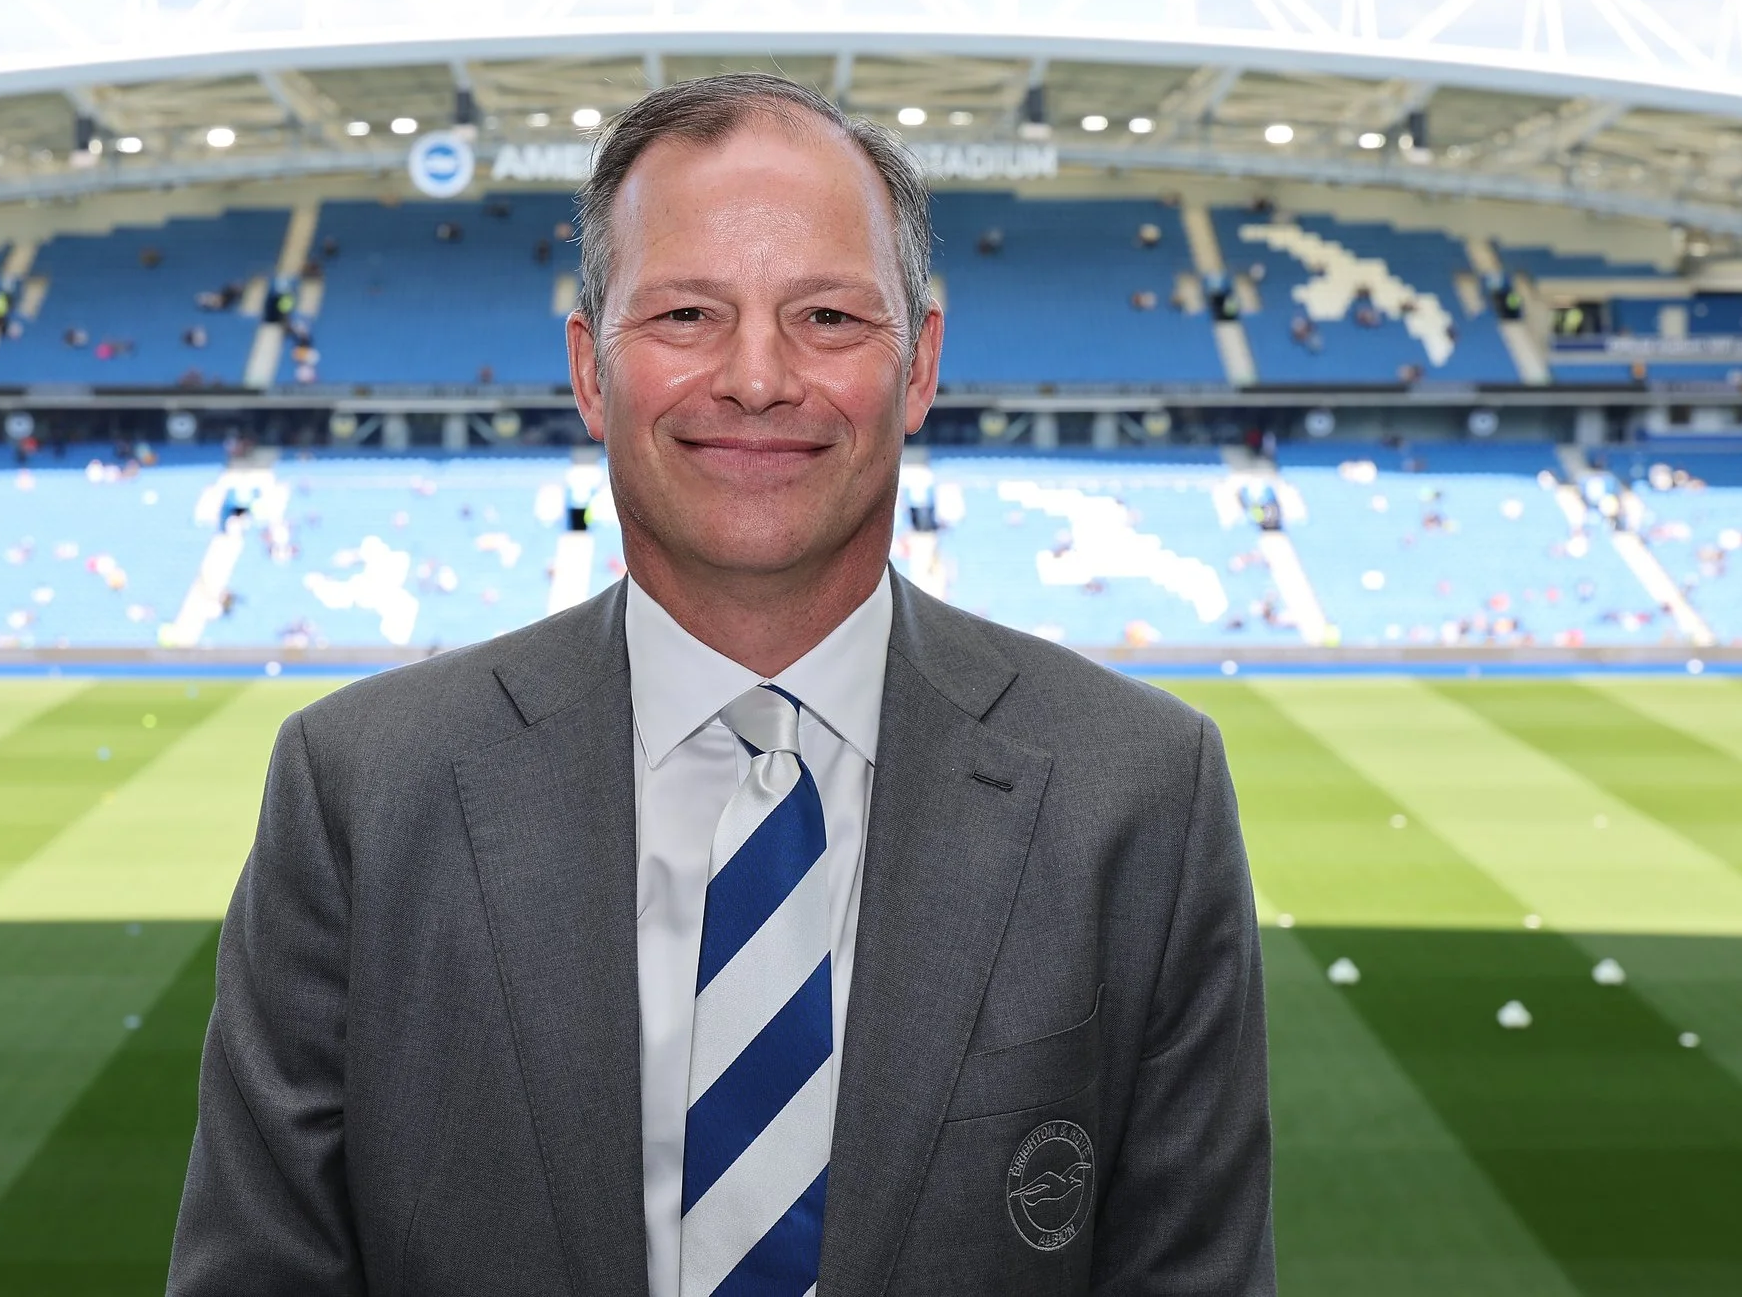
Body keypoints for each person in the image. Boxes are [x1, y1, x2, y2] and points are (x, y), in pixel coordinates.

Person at [170, 73, 1273, 1297]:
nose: (757, 376)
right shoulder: (362, 792)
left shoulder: (1138, 792)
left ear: (918, 366)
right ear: (591, 370)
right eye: (689, 314)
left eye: (830, 319)